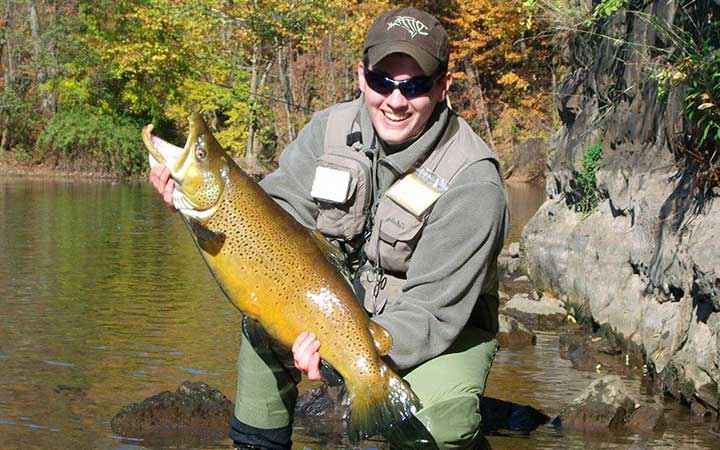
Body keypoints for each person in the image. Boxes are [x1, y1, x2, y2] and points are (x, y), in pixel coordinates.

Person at [150, 7, 508, 450]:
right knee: (260, 328)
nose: (395, 101)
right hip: (340, 306)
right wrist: (191, 208)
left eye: (415, 87)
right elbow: (271, 214)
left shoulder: (473, 181)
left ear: (442, 88)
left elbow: (433, 314)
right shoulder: (328, 130)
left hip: (440, 329)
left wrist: (348, 355)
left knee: (440, 424)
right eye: (382, 82)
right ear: (362, 76)